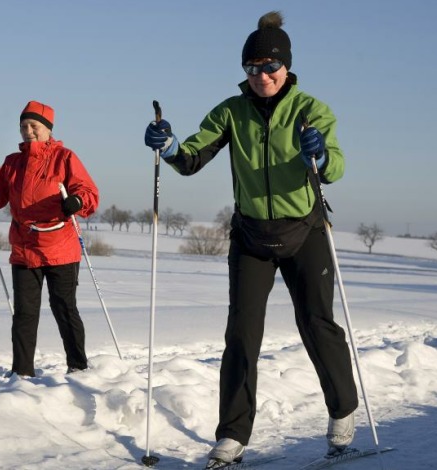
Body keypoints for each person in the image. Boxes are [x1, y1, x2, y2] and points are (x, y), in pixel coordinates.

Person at [143, 11, 359, 468]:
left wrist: (320, 153)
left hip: (305, 231)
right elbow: (192, 157)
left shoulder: (310, 109)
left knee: (317, 324)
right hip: (251, 235)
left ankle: (343, 412)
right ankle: (232, 436)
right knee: (241, 336)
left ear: (286, 67)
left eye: (270, 67)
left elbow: (335, 168)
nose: (261, 76)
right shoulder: (231, 111)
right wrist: (170, 145)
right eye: (252, 68)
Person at [0, 100, 99, 378]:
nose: (28, 131)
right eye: (24, 126)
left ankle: (78, 367)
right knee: (25, 313)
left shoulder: (65, 158)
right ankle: (22, 373)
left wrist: (76, 201)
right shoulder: (13, 163)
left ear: (48, 129)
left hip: (60, 246)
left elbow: (88, 192)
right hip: (25, 247)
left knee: (64, 308)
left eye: (34, 126)